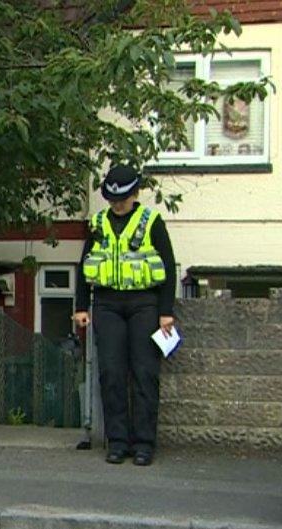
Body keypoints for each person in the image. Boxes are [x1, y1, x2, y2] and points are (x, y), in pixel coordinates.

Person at [72, 165, 176, 466]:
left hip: (145, 303)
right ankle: (117, 442)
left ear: (135, 194)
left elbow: (168, 268)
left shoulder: (152, 221)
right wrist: (81, 307)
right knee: (111, 373)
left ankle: (144, 444)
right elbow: (84, 266)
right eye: (112, 199)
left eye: (123, 198)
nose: (117, 204)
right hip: (106, 304)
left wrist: (166, 312)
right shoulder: (98, 223)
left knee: (144, 374)